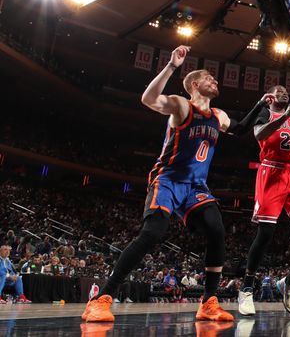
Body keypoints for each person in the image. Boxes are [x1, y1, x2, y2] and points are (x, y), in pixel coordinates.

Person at [82, 45, 264, 323]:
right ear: (194, 84)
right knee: (153, 233)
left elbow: (240, 130)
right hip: (168, 179)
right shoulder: (182, 105)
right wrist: (171, 66)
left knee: (217, 230)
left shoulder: (219, 116)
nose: (215, 81)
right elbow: (149, 99)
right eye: (209, 78)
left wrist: (262, 104)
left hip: (196, 186)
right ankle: (102, 298)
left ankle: (208, 303)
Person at [238, 85, 290, 317]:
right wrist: (285, 116)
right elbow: (258, 134)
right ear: (271, 97)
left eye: (286, 90)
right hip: (271, 173)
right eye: (279, 90)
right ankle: (247, 287)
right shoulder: (268, 113)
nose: (284, 92)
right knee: (266, 233)